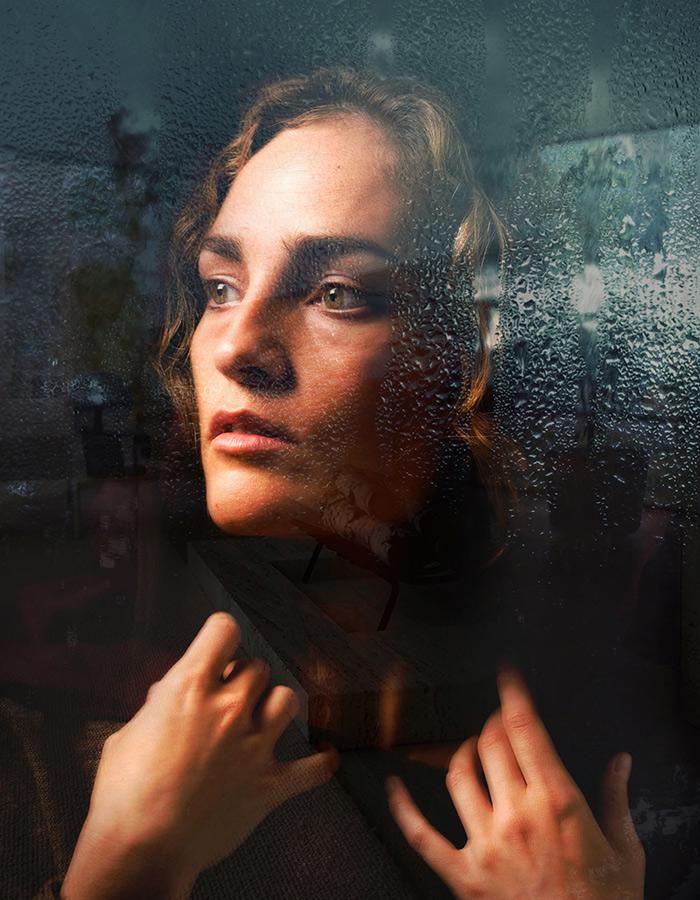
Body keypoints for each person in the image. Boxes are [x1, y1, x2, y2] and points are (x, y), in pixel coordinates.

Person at [61, 66, 645, 897]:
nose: (234, 346)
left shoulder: (576, 709)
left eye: (339, 294)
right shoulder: (153, 671)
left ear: (468, 353)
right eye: (221, 286)